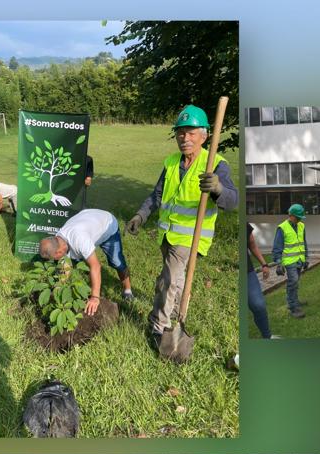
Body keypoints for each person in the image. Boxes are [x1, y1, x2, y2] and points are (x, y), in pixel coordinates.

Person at [125, 105, 238, 343]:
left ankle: (158, 328)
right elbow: (157, 195)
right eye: (180, 133)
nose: (184, 138)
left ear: (204, 135)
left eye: (191, 132)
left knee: (168, 281)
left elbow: (232, 201)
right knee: (171, 281)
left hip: (190, 237)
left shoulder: (216, 164)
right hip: (167, 235)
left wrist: (217, 188)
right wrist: (140, 216)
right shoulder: (171, 162)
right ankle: (172, 314)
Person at [39, 208, 134, 314]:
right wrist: (59, 285)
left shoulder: (80, 240)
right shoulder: (58, 239)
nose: (55, 261)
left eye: (54, 258)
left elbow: (96, 266)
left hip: (107, 225)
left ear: (59, 252)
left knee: (117, 262)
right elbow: (65, 263)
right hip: (90, 220)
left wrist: (94, 297)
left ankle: (127, 290)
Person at [272, 203, 308, 319]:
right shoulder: (282, 228)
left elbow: (304, 243)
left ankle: (294, 300)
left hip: (299, 260)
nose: (299, 220)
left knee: (295, 283)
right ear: (291, 215)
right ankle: (293, 308)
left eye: (300, 218)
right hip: (289, 261)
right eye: (298, 217)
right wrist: (278, 263)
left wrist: (306, 258)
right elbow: (277, 247)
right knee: (293, 281)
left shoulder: (301, 226)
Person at [246, 222, 275, 339]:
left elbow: (252, 245)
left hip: (247, 271)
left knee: (258, 305)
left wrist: (264, 264)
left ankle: (267, 337)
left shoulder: (245, 225)